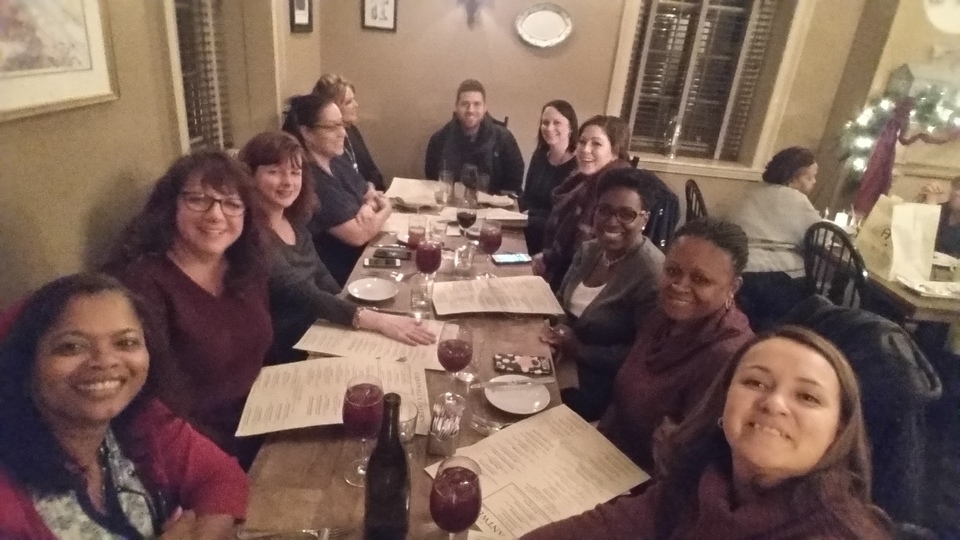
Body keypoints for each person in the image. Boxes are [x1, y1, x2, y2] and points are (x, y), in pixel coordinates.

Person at [522, 326, 893, 539]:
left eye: (807, 397)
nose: (774, 403)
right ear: (723, 401)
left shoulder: (832, 532)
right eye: (755, 382)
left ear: (838, 431)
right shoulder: (702, 482)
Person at [0, 273, 247, 539]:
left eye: (126, 342)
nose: (105, 361)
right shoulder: (8, 502)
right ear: (25, 363)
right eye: (71, 347)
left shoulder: (144, 420)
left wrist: (203, 533)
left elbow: (219, 477)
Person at [107, 151, 271, 466]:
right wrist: (227, 460)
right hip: (201, 450)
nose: (216, 215)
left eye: (231, 203)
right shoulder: (142, 284)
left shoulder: (245, 267)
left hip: (263, 423)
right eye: (198, 199)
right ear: (171, 206)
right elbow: (154, 404)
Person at [238, 130, 435, 363]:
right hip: (287, 351)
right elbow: (303, 295)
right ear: (249, 176)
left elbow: (321, 275)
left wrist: (353, 310)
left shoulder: (293, 219)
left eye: (295, 172)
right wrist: (374, 320)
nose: (287, 182)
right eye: (274, 172)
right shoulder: (249, 235)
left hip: (319, 330)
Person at [598, 217, 754, 471]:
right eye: (672, 271)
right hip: (608, 451)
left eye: (700, 279)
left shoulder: (726, 355)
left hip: (644, 478)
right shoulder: (661, 316)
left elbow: (685, 465)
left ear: (732, 287)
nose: (679, 286)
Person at [541, 168, 664, 421]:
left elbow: (642, 353)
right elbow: (561, 301)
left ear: (645, 219)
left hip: (598, 382)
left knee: (525, 401)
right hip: (560, 356)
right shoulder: (589, 250)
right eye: (604, 210)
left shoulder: (651, 274)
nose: (611, 221)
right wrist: (559, 330)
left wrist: (579, 350)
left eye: (626, 214)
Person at [283, 93, 392, 286]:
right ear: (306, 132)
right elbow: (358, 235)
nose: (343, 133)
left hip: (364, 259)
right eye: (332, 127)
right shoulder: (311, 179)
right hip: (342, 277)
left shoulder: (336, 160)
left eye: (342, 125)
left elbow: (368, 189)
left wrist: (368, 205)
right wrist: (387, 208)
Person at [533, 115, 632, 290]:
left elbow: (586, 258)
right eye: (582, 142)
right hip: (560, 270)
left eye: (596, 144)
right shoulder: (583, 180)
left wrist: (548, 263)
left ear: (615, 151)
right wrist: (547, 257)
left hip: (580, 286)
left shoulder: (614, 192)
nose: (585, 149)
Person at [728, 146, 821, 330]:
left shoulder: (754, 190)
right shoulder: (796, 199)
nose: (814, 182)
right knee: (812, 299)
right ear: (794, 178)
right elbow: (821, 236)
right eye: (810, 177)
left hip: (739, 268)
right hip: (774, 277)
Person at [424, 79, 525, 194]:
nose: (470, 110)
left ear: (485, 107)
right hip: (452, 202)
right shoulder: (439, 140)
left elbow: (514, 181)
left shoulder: (504, 139)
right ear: (456, 107)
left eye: (477, 104)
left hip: (493, 203)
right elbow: (432, 180)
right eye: (464, 104)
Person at [520, 100, 578, 255]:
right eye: (545, 123)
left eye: (557, 123)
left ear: (571, 128)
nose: (549, 128)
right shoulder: (539, 156)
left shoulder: (577, 166)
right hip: (526, 229)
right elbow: (527, 197)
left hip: (552, 242)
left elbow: (564, 218)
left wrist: (528, 217)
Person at [312, 73, 385, 191]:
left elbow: (373, 172)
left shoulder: (352, 131)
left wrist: (370, 187)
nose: (356, 105)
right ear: (331, 107)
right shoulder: (324, 143)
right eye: (349, 102)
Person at [917, 176, 960, 256]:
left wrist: (931, 206)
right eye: (957, 188)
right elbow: (916, 235)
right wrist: (924, 201)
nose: (957, 193)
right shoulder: (941, 209)